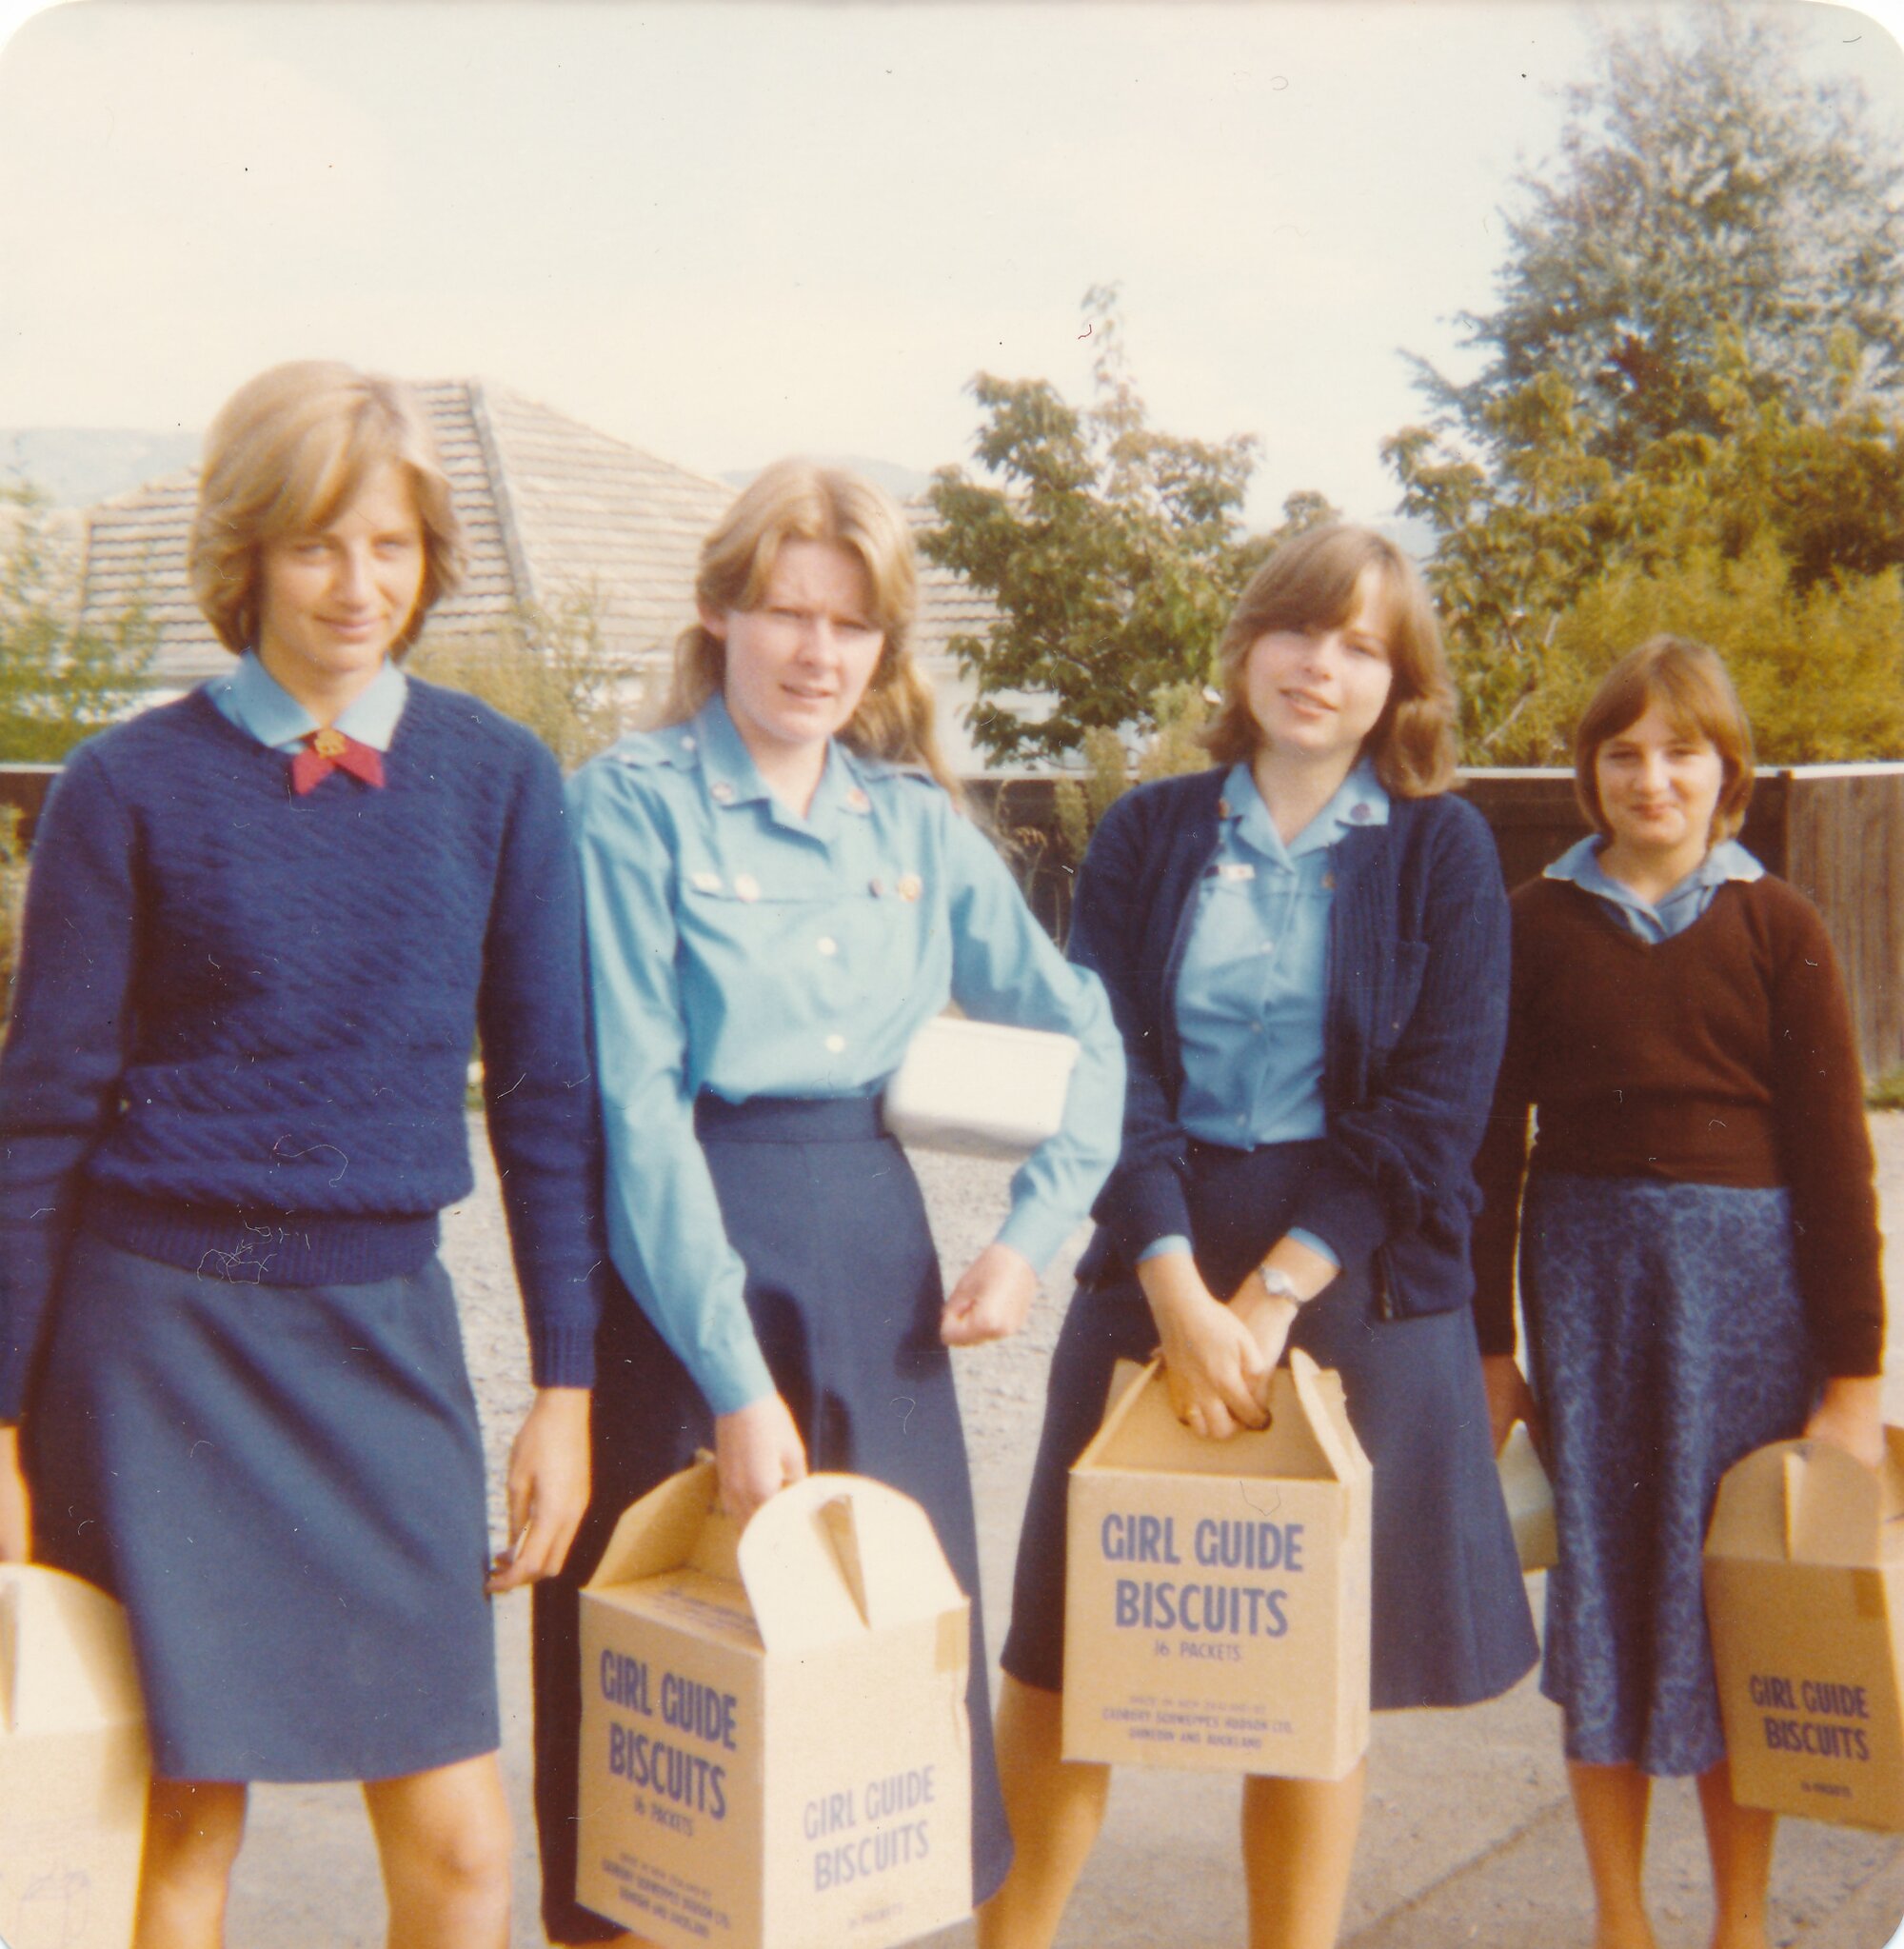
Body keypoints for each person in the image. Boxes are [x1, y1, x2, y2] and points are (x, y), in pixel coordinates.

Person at [0, 360, 605, 1949]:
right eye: (319, 547)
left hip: (381, 1345)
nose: (360, 587)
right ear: (248, 558)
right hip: (156, 1356)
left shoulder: (499, 781)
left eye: (393, 547)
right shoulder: (124, 789)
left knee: (466, 1854)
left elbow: (550, 1101)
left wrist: (565, 1386)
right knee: (183, 1832)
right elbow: (39, 1124)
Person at [530, 458, 1124, 1945]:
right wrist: (733, 1384)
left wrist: (1032, 1238)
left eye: (850, 627)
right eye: (785, 613)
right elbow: (636, 1113)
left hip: (876, 1271)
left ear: (885, 649)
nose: (815, 653)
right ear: (720, 614)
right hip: (685, 1283)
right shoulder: (629, 808)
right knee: (682, 1713)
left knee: (869, 1721)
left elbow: (1091, 1038)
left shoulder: (913, 830)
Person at [982, 524, 1537, 1949]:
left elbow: (1436, 1110)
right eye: (1302, 629)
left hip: (1345, 1275)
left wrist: (1276, 1295)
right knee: (1065, 1656)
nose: (1323, 666)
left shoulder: (1443, 849)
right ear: (1247, 646)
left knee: (1305, 1672)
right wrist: (1171, 1280)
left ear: (1397, 683)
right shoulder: (1152, 832)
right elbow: (1107, 1069)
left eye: (1362, 645)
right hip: (1153, 1249)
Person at [1471, 636, 1886, 1949]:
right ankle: (1619, 1918)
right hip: (1592, 1296)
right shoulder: (1530, 924)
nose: (1655, 779)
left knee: (1732, 1607)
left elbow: (1837, 1166)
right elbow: (1487, 1155)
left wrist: (1856, 1381)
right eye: (1625, 754)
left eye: (1682, 752)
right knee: (1602, 1593)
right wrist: (1493, 1348)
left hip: (1749, 1301)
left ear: (1730, 773)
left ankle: (1740, 1924)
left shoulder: (1782, 925)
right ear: (1590, 777)